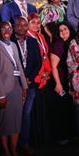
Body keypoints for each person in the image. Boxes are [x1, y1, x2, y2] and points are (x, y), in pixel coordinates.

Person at [0, 21, 28, 156]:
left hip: (17, 86)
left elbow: (20, 67)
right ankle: (6, 152)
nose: (7, 31)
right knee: (4, 122)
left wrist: (24, 87)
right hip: (4, 88)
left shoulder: (13, 45)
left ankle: (14, 150)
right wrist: (1, 95)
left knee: (17, 121)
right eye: (3, 29)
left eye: (9, 29)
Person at [13, 16, 43, 154]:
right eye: (19, 25)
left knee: (26, 114)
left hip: (29, 85)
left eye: (25, 25)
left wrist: (28, 78)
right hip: (13, 84)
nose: (22, 27)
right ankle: (11, 145)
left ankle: (24, 142)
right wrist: (20, 79)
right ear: (14, 26)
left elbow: (38, 62)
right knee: (13, 114)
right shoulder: (9, 41)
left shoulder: (32, 41)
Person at [48, 20, 78, 145]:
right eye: (60, 30)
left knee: (70, 110)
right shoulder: (57, 45)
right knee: (61, 110)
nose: (63, 32)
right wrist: (58, 84)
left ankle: (72, 135)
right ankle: (61, 136)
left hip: (71, 82)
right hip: (60, 82)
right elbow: (53, 66)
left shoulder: (73, 42)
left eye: (65, 29)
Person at [26, 13, 54, 146]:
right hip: (34, 78)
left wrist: (48, 71)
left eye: (38, 23)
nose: (36, 25)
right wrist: (40, 73)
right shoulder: (26, 38)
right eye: (33, 22)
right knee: (32, 111)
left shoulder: (41, 36)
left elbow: (45, 56)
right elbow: (30, 61)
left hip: (44, 77)